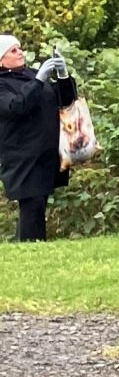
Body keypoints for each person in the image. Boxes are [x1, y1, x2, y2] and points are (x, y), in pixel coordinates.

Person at [0, 35, 74, 242]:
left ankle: (27, 245)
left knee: (38, 202)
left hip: (46, 153)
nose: (20, 52)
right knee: (32, 203)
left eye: (19, 48)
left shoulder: (30, 74)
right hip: (22, 156)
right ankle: (31, 246)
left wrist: (63, 75)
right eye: (13, 50)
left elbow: (66, 100)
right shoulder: (3, 84)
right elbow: (17, 107)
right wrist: (38, 80)